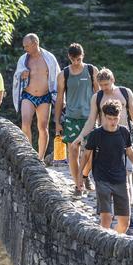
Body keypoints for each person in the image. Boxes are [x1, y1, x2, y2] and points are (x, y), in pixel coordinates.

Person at [72, 68, 133, 225]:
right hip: (104, 139)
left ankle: (128, 213)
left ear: (113, 80)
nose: (104, 88)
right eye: (101, 85)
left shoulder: (125, 93)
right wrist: (80, 136)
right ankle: (106, 211)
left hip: (123, 137)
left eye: (106, 84)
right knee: (103, 174)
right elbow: (91, 120)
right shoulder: (97, 97)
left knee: (126, 175)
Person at [81, 100, 133, 234]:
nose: (112, 122)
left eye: (115, 118)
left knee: (125, 222)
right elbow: (86, 155)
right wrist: (80, 175)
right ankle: (103, 247)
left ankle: (116, 243)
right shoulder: (96, 134)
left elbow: (129, 152)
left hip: (120, 178)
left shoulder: (124, 132)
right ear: (103, 116)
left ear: (119, 116)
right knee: (106, 217)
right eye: (109, 118)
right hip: (101, 177)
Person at [53, 43, 99, 194]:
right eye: (73, 59)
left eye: (78, 59)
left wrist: (101, 116)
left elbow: (99, 94)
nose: (76, 62)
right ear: (69, 57)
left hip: (90, 117)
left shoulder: (91, 70)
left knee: (90, 152)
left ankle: (85, 176)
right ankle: (77, 184)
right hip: (71, 118)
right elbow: (60, 99)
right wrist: (57, 121)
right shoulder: (63, 74)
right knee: (73, 151)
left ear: (83, 56)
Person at [12, 33, 61, 160]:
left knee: (43, 126)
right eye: (24, 46)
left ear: (35, 44)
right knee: (25, 123)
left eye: (27, 46)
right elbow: (17, 75)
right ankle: (29, 155)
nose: (25, 49)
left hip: (45, 96)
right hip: (28, 95)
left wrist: (60, 97)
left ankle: (40, 158)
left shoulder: (49, 58)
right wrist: (21, 74)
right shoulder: (24, 59)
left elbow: (57, 76)